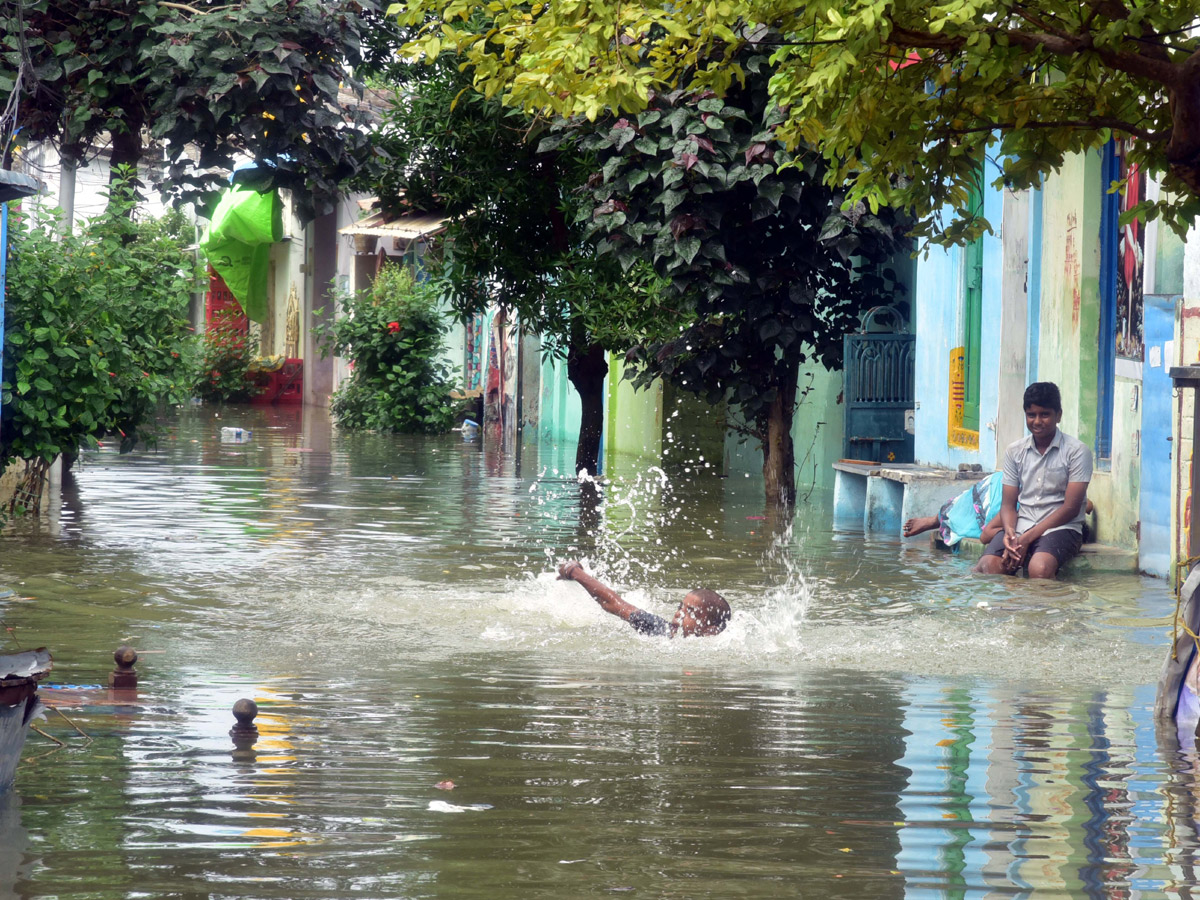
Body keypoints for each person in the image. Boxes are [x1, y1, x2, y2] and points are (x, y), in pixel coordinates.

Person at [977, 382, 1092, 579]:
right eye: (1031, 415)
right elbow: (1008, 505)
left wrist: (1027, 539)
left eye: (1045, 415)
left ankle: (1042, 609)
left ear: (1059, 415)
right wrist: (1010, 534)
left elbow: (1071, 509)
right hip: (1022, 525)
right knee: (988, 566)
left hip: (1062, 528)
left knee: (1039, 569)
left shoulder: (1077, 452)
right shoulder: (1015, 451)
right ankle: (1012, 608)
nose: (1037, 421)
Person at [557, 561, 730, 637]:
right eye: (680, 607)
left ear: (711, 631)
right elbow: (614, 603)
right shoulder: (661, 630)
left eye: (690, 612)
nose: (679, 614)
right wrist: (574, 571)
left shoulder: (723, 648)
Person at [903, 470, 1006, 547]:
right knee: (968, 502)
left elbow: (987, 535)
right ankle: (936, 519)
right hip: (1001, 483)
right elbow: (986, 535)